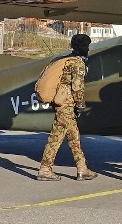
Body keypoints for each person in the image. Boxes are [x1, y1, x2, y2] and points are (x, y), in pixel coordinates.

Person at [37, 33, 97, 181]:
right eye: (86, 46)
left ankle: (82, 168)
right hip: (66, 105)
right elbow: (77, 87)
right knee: (57, 138)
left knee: (72, 138)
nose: (87, 49)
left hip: (62, 104)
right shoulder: (77, 63)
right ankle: (45, 169)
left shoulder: (65, 60)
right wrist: (80, 104)